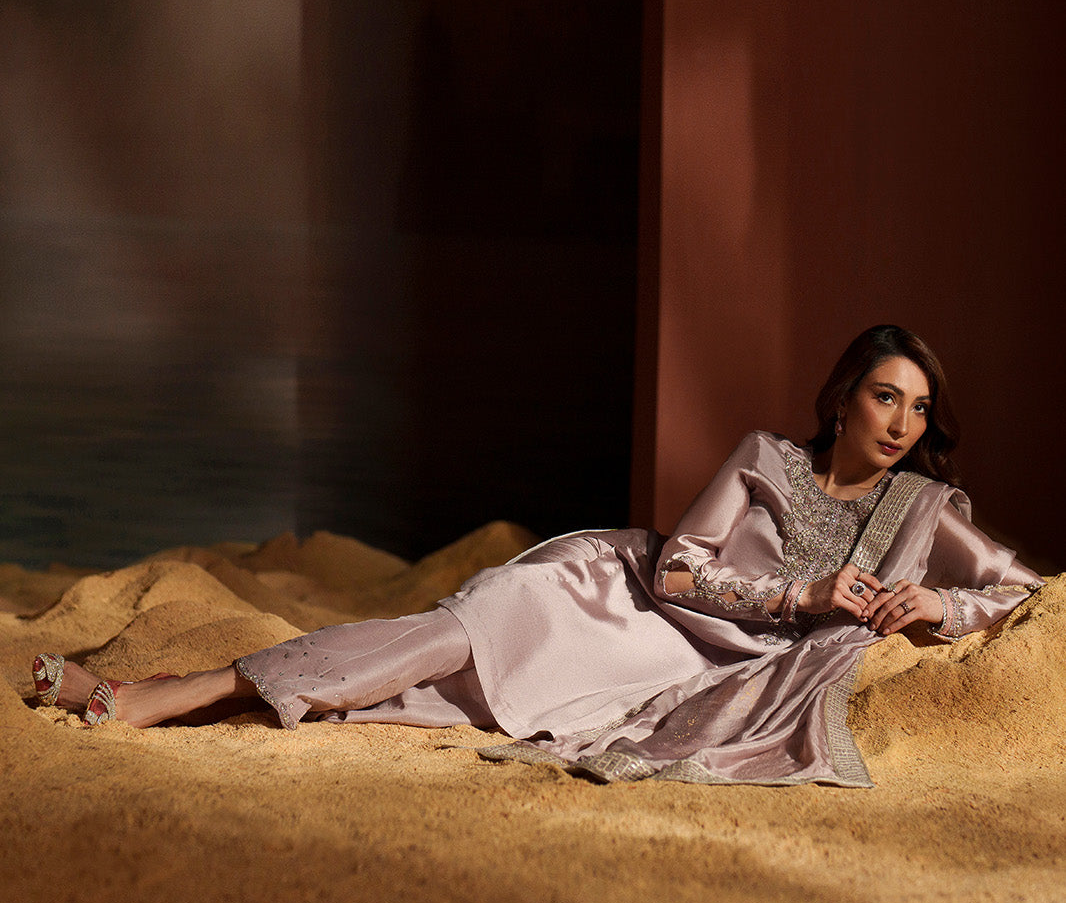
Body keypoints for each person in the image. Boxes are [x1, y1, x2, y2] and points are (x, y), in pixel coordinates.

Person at [31, 325, 1043, 788]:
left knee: (430, 699)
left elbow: (1031, 593)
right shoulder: (766, 458)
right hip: (619, 602)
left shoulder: (925, 509)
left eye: (919, 407)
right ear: (840, 398)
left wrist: (938, 607)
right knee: (445, 635)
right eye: (885, 396)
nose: (902, 422)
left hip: (684, 669)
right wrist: (804, 590)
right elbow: (676, 572)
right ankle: (167, 694)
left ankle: (206, 695)